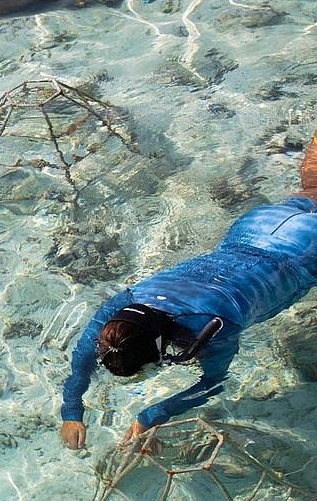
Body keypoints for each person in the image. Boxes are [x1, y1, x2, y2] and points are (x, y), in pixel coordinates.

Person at [60, 131, 317, 450]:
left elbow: (213, 383)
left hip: (301, 256)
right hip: (259, 227)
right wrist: (71, 411)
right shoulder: (125, 305)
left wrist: (152, 414)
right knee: (312, 188)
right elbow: (85, 352)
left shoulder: (210, 329)